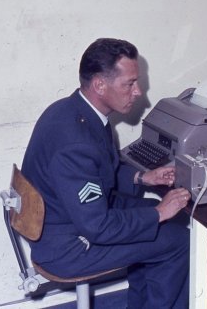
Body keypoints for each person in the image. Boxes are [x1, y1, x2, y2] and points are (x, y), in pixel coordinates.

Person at [21, 38, 191, 309]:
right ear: (100, 85)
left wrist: (141, 178)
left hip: (64, 218)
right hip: (68, 247)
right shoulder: (76, 142)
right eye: (129, 84)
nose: (138, 92)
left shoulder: (71, 110)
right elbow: (99, 227)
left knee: (158, 215)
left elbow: (98, 172)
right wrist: (159, 213)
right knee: (179, 241)